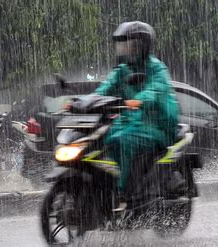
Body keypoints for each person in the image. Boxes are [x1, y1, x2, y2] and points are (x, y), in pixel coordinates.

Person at [93, 21, 179, 208]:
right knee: (106, 138)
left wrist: (140, 100)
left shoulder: (156, 68)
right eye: (123, 45)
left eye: (130, 44)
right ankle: (115, 182)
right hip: (133, 122)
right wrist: (84, 102)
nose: (125, 49)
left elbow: (156, 89)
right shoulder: (122, 70)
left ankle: (126, 191)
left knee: (124, 140)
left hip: (158, 124)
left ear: (142, 45)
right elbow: (104, 89)